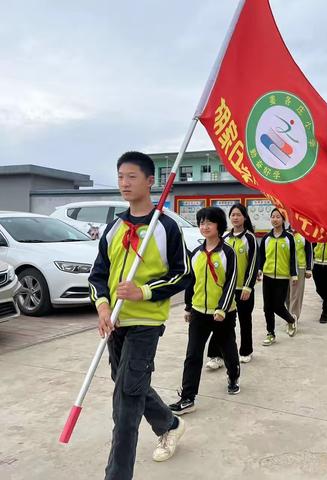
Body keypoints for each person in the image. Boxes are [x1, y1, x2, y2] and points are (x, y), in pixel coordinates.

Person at [88, 152, 191, 479]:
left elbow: (183, 274)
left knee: (126, 405)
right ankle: (170, 424)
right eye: (120, 176)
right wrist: (103, 306)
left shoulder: (166, 228)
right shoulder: (114, 227)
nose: (124, 183)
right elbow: (98, 275)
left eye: (132, 176)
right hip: (115, 325)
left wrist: (143, 291)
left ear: (150, 181)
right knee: (129, 385)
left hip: (146, 324)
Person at [170, 207, 240, 416]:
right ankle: (188, 398)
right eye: (201, 222)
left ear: (219, 225)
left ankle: (233, 376)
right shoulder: (196, 254)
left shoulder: (228, 253)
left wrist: (222, 308)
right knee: (192, 355)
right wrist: (189, 307)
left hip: (223, 313)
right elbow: (191, 283)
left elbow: (231, 282)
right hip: (199, 312)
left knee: (228, 349)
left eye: (209, 222)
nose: (204, 226)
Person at [205, 203, 258, 367]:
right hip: (226, 289)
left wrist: (248, 286)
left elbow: (254, 264)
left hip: (243, 290)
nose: (235, 218)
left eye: (238, 215)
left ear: (244, 217)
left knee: (244, 320)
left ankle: (246, 351)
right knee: (220, 321)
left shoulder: (250, 238)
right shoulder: (225, 238)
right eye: (233, 215)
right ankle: (216, 356)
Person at [258, 208, 298, 346]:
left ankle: (291, 320)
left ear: (283, 220)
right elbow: (261, 256)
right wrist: (259, 269)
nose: (275, 219)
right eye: (273, 217)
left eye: (278, 217)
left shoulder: (289, 238)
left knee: (278, 305)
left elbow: (293, 258)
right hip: (268, 275)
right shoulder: (266, 238)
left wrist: (294, 275)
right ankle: (270, 333)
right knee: (267, 307)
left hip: (282, 277)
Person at [287, 228, 313, 320]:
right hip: (285, 267)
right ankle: (288, 313)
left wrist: (309, 269)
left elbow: (309, 251)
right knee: (286, 293)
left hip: (300, 267)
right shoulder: (286, 233)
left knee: (296, 294)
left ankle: (293, 317)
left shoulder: (304, 234)